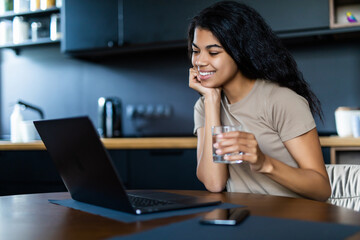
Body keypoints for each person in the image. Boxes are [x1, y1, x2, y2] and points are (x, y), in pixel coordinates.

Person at [188, 1, 331, 201]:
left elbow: (322, 188)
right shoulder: (204, 106)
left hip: (292, 221)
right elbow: (214, 183)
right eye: (196, 51)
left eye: (213, 52)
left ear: (240, 52)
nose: (200, 61)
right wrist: (211, 100)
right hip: (241, 220)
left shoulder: (281, 101)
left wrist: (264, 162)